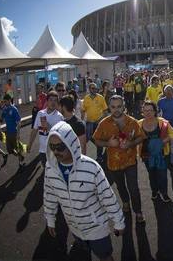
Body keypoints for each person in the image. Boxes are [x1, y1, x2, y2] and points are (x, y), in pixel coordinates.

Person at [43, 121, 125, 261]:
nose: (56, 151)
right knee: (83, 253)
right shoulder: (50, 168)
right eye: (52, 147)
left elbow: (107, 196)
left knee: (105, 256)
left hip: (96, 228)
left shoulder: (91, 167)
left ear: (70, 143)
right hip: (74, 228)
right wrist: (50, 219)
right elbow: (49, 194)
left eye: (60, 146)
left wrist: (118, 221)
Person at [93, 95, 146, 223]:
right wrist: (108, 144)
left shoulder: (132, 122)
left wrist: (131, 144)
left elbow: (141, 137)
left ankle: (138, 211)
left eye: (119, 106)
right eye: (113, 107)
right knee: (120, 186)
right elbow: (96, 140)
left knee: (133, 187)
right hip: (114, 163)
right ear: (109, 107)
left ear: (123, 107)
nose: (116, 109)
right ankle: (125, 202)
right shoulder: (104, 123)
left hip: (130, 161)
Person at [138, 101, 173, 202]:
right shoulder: (139, 124)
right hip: (147, 156)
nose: (148, 113)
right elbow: (131, 135)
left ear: (155, 111)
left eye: (150, 110)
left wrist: (163, 141)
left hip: (161, 155)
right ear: (142, 112)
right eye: (145, 111)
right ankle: (154, 191)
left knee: (162, 175)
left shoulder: (162, 122)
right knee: (152, 175)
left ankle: (164, 193)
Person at [27, 91, 64, 166]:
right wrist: (30, 144)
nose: (53, 103)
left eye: (55, 100)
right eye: (51, 100)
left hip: (54, 152)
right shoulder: (40, 113)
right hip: (42, 150)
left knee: (54, 173)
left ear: (57, 102)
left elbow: (62, 137)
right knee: (45, 171)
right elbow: (35, 130)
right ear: (47, 101)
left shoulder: (59, 117)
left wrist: (50, 128)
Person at [82, 83, 108, 162]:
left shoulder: (100, 97)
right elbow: (83, 110)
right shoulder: (86, 98)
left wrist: (102, 119)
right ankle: (83, 156)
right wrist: (82, 120)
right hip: (89, 122)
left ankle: (99, 156)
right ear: (89, 89)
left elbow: (105, 110)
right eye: (92, 88)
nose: (94, 90)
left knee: (98, 138)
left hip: (98, 122)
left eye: (95, 88)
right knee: (87, 138)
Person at [157, 86, 173, 168]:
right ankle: (163, 159)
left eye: (170, 90)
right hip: (163, 126)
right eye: (167, 91)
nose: (169, 92)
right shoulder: (160, 102)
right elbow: (157, 114)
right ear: (164, 92)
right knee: (163, 144)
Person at [1, 94, 24, 169]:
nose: (4, 103)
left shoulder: (14, 109)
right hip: (8, 132)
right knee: (9, 150)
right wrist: (2, 111)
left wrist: (18, 134)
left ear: (9, 100)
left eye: (5, 101)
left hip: (14, 132)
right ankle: (20, 156)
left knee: (17, 148)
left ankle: (20, 163)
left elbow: (18, 122)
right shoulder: (5, 109)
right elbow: (2, 119)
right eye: (3, 101)